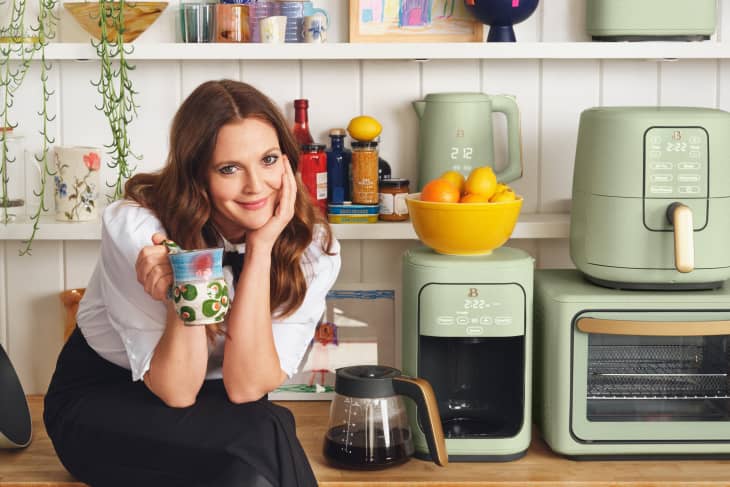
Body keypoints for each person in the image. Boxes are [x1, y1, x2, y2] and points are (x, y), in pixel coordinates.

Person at [43, 80, 341, 487]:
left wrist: (260, 249)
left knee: (252, 458)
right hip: (105, 406)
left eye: (269, 160)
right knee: (267, 431)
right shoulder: (138, 228)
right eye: (229, 169)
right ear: (196, 175)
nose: (256, 186)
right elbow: (177, 391)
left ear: (288, 162)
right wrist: (186, 278)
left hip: (227, 412)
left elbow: (246, 386)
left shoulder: (314, 249)